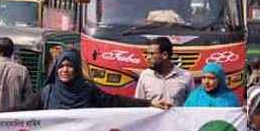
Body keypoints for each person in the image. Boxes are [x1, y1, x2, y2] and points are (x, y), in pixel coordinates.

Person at [39, 49, 167, 110]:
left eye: (70, 66)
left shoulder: (88, 91)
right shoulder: (47, 93)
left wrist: (149, 103)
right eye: (61, 66)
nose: (65, 70)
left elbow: (115, 101)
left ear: (77, 69)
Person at [134, 37, 193, 106]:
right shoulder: (145, 76)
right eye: (147, 54)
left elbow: (191, 106)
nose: (148, 57)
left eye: (152, 54)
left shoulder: (186, 76)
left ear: (165, 55)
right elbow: (139, 105)